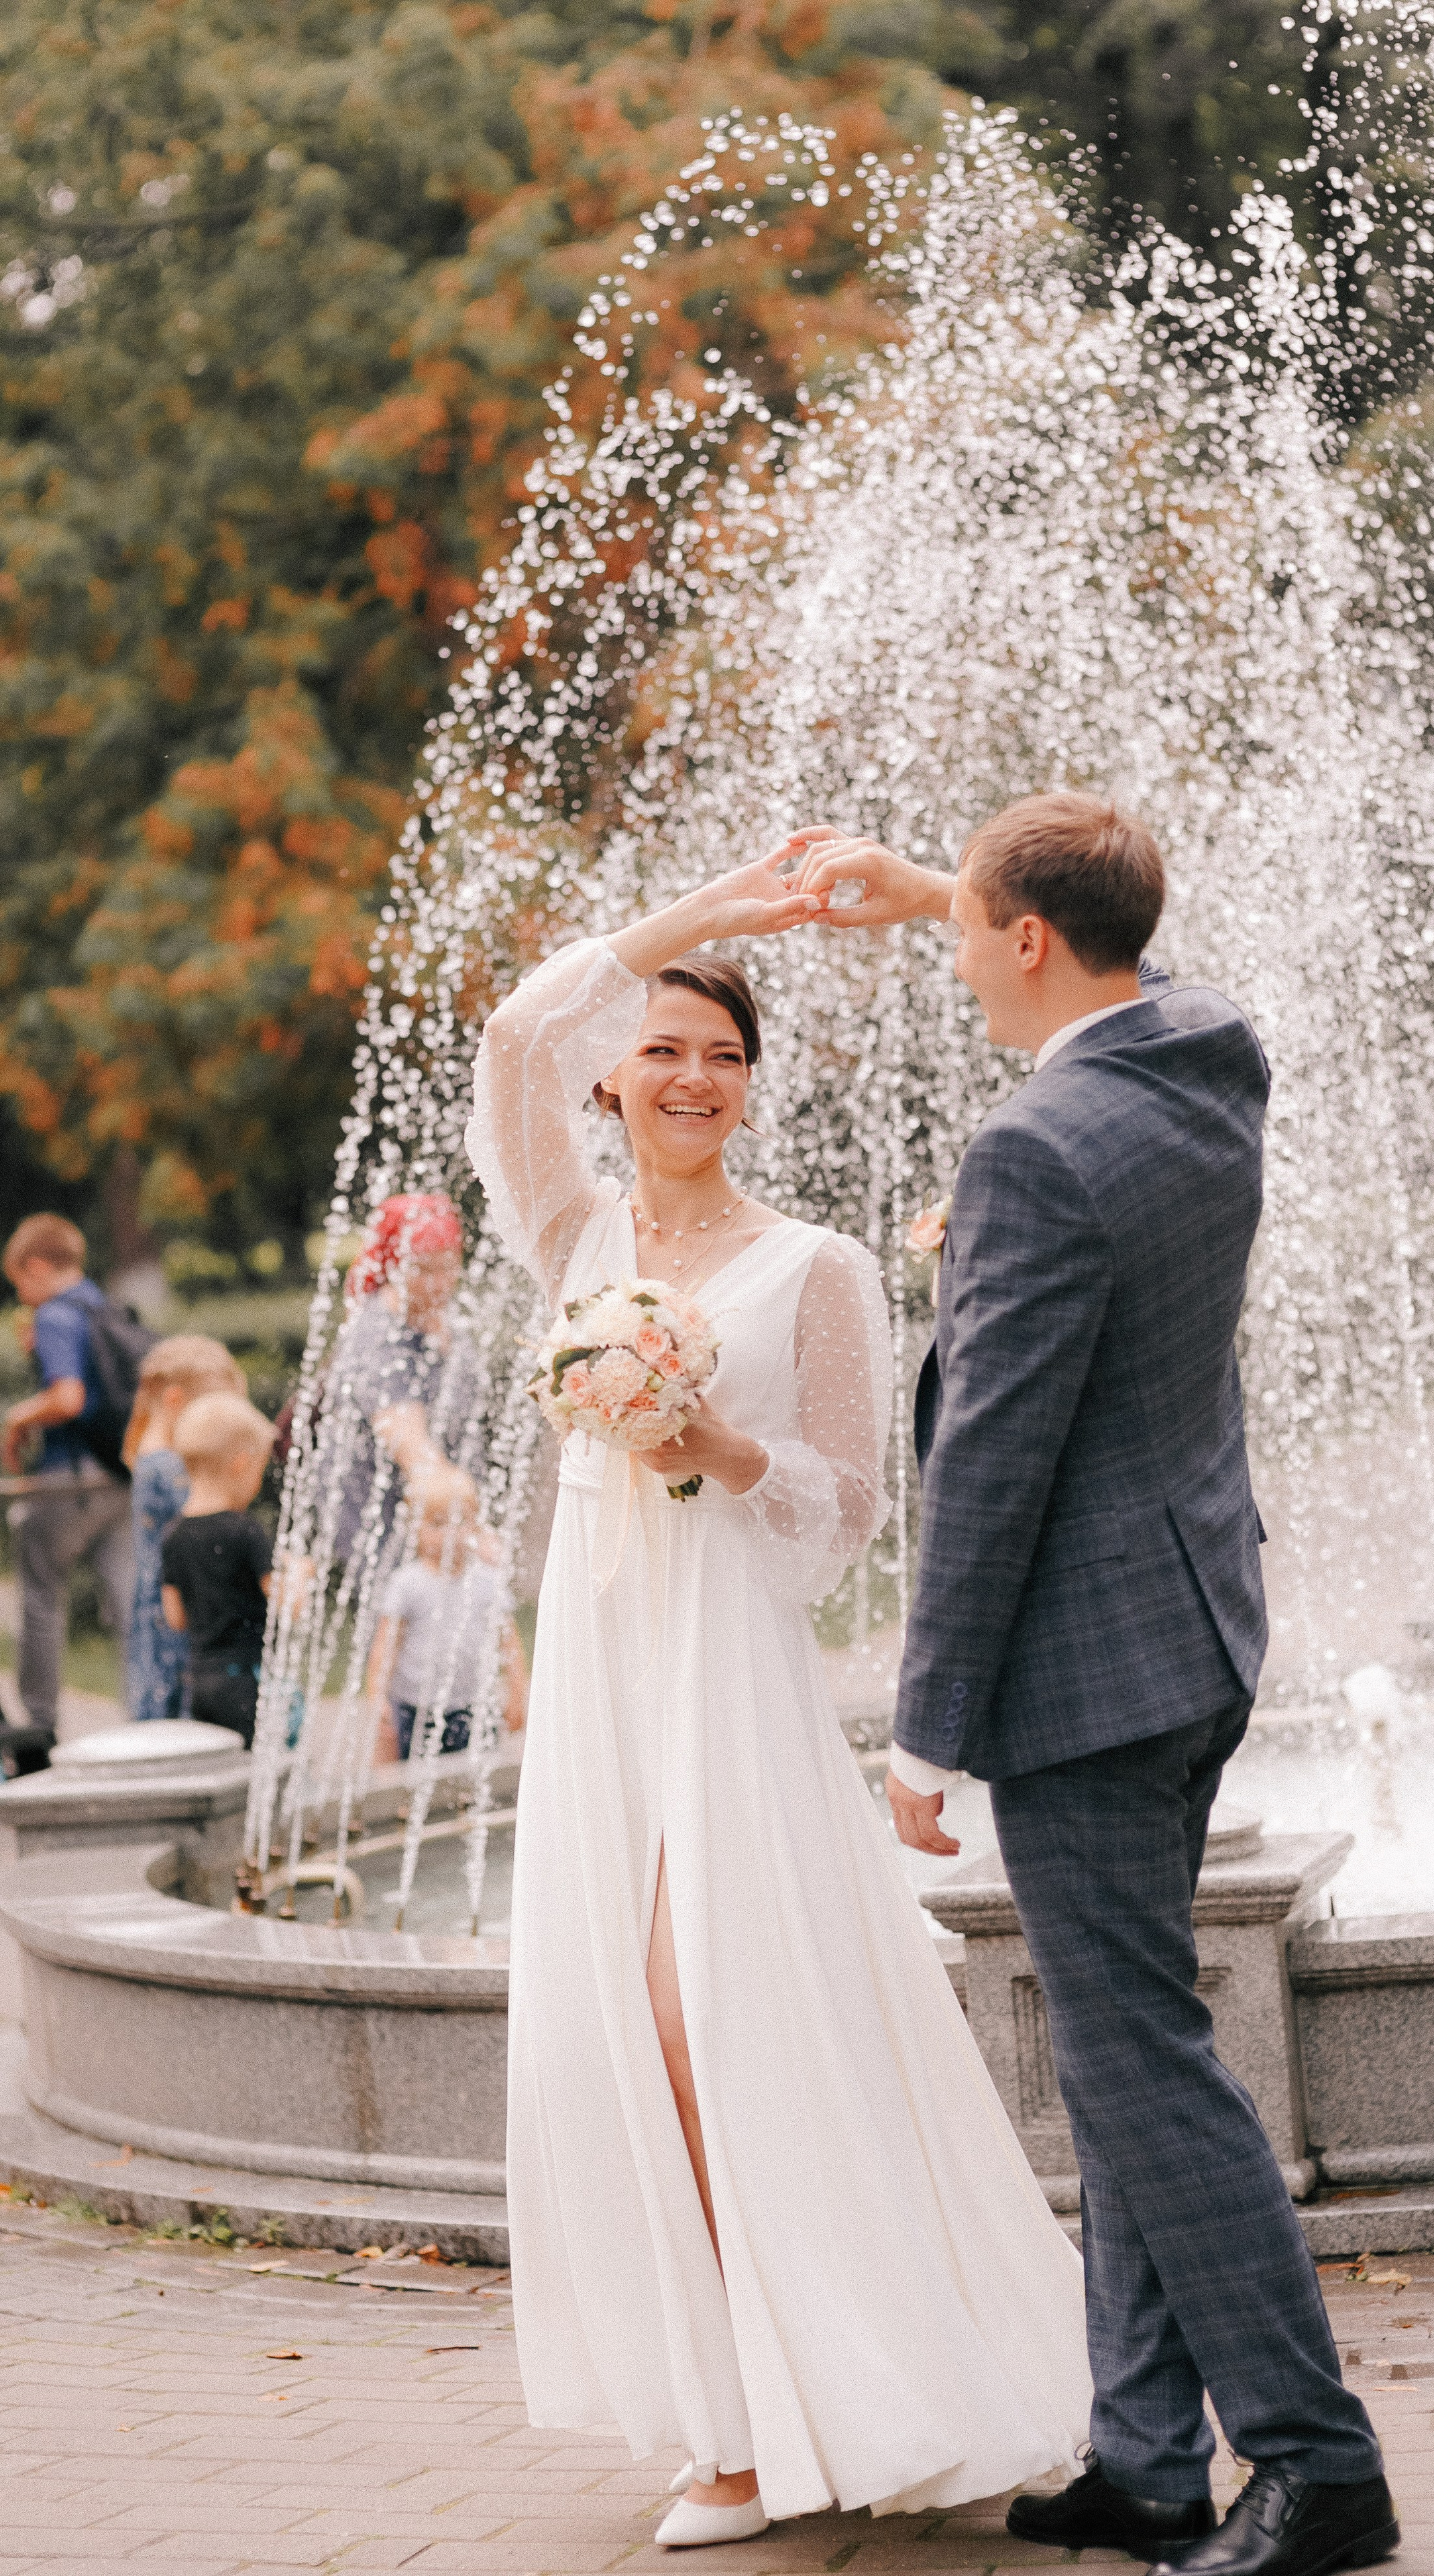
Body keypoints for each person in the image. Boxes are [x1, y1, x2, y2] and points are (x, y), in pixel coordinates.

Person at [791, 794, 1397, 2576]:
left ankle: (1317, 2462)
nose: (958, 965)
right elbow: (1125, 966)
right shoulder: (1207, 1057)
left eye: (971, 935)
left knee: (1139, 2065)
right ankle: (1143, 2460)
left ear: (1031, 941)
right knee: (1128, 2044)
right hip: (1191, 1631)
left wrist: (925, 1728)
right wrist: (942, 889)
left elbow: (992, 1468)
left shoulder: (1035, 1150)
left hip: (1087, 1677)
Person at [465, 851, 1091, 2548]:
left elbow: (847, 1511)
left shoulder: (816, 1264)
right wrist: (721, 911)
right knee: (615, 2032)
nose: (692, 1079)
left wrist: (716, 1444)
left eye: (723, 1057)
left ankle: (810, 2404)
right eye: (662, 1051)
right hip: (602, 1668)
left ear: (750, 1086)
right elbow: (515, 1034)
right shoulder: (573, 1235)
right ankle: (732, 2418)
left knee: (706, 2018)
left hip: (724, 1668)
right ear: (613, 1078)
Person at [1, 1214, 135, 1760]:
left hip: (67, 1481)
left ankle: (40, 1726)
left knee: (40, 1598)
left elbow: (68, 1397)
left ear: (36, 1267)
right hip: (118, 1474)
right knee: (130, 1600)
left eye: (19, 1282)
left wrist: (17, 1417)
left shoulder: (56, 1315)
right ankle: (149, 1713)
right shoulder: (106, 1307)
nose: (21, 1296)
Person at [312, 1193, 482, 1570]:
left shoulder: (446, 1320)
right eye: (422, 1270)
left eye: (448, 1267)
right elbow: (410, 1444)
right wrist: (470, 1526)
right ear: (392, 1266)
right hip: (382, 1520)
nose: (439, 1284)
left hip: (437, 1511)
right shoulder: (379, 1335)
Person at [121, 1336, 247, 1724]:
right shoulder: (167, 1468)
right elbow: (213, 1522)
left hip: (162, 1603)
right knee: (179, 1716)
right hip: (175, 1611)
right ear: (176, 1400)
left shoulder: (154, 1455)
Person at [367, 1483, 528, 1763]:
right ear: (415, 1530)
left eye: (460, 1521)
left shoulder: (488, 1581)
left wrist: (517, 1693)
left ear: (476, 1525)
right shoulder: (407, 1583)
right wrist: (377, 1697)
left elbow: (510, 1644)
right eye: (438, 1524)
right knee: (412, 1779)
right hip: (415, 1708)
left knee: (477, 1776)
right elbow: (386, 1647)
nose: (451, 1533)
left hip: (475, 1705)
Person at [159, 1392, 280, 1747]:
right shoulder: (245, 1530)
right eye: (259, 1471)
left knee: (219, 1762)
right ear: (240, 1464)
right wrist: (301, 1575)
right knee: (256, 1764)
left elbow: (175, 1618)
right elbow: (285, 1602)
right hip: (246, 1680)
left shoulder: (174, 1535)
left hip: (200, 1683)